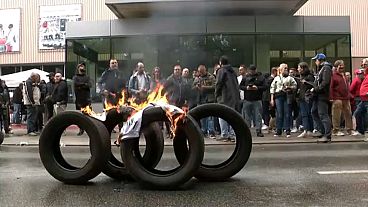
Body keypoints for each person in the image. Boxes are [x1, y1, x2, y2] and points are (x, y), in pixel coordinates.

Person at [215, 56, 240, 141]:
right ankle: (232, 134)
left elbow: (218, 83)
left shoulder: (221, 71)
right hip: (234, 97)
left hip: (224, 96)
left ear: (221, 63)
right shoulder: (233, 71)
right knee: (232, 115)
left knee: (222, 115)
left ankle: (224, 134)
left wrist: (217, 94)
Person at [270, 63, 297, 138]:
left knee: (287, 113)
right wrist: (272, 99)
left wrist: (290, 87)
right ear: (281, 70)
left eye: (286, 68)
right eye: (284, 68)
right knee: (279, 114)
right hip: (278, 96)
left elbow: (295, 86)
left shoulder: (290, 78)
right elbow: (272, 88)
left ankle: (287, 130)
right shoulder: (277, 78)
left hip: (287, 96)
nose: (286, 70)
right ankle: (279, 131)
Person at [310, 53, 333, 143]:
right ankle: (322, 131)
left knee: (323, 114)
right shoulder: (322, 69)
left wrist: (316, 89)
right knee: (314, 112)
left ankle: (327, 135)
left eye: (316, 60)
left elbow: (325, 82)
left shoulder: (326, 68)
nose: (315, 62)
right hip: (318, 94)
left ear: (320, 60)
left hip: (322, 95)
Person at [239, 65, 266, 137]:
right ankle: (247, 131)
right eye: (251, 70)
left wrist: (257, 88)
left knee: (258, 116)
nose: (252, 71)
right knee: (246, 117)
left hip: (257, 99)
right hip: (247, 99)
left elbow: (265, 87)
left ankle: (258, 130)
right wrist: (247, 88)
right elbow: (240, 86)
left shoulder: (260, 77)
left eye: (253, 70)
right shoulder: (245, 77)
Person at [329, 60, 354, 136]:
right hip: (337, 98)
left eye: (342, 65)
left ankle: (349, 130)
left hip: (346, 98)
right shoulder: (333, 75)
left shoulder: (343, 75)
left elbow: (347, 86)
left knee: (348, 114)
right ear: (336, 67)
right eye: (340, 65)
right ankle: (336, 130)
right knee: (336, 114)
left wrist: (349, 95)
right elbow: (331, 87)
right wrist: (331, 97)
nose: (342, 67)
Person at [193, 64, 216, 138]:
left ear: (205, 70)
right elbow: (192, 88)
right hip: (200, 99)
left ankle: (211, 132)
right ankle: (204, 131)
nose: (201, 73)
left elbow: (215, 87)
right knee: (202, 117)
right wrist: (196, 87)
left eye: (202, 71)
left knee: (210, 117)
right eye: (200, 72)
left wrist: (204, 87)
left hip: (209, 99)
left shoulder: (211, 77)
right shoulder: (197, 78)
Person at [296, 62, 315, 138]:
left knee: (307, 114)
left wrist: (306, 82)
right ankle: (307, 129)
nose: (298, 69)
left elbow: (313, 85)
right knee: (304, 114)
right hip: (301, 98)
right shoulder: (301, 76)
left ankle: (307, 130)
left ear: (303, 68)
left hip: (307, 98)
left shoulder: (309, 77)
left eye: (299, 68)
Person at [73, 62, 92, 136]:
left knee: (88, 114)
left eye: (83, 66)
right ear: (78, 68)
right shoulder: (75, 77)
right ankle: (81, 128)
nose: (82, 68)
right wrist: (84, 85)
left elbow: (89, 85)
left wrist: (81, 86)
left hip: (87, 98)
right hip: (79, 99)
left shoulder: (87, 77)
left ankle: (89, 129)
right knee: (79, 115)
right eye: (81, 66)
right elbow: (76, 85)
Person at [353, 58, 368, 135]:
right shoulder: (366, 74)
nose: (363, 66)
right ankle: (361, 131)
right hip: (363, 99)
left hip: (367, 98)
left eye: (365, 64)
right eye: (362, 64)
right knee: (357, 113)